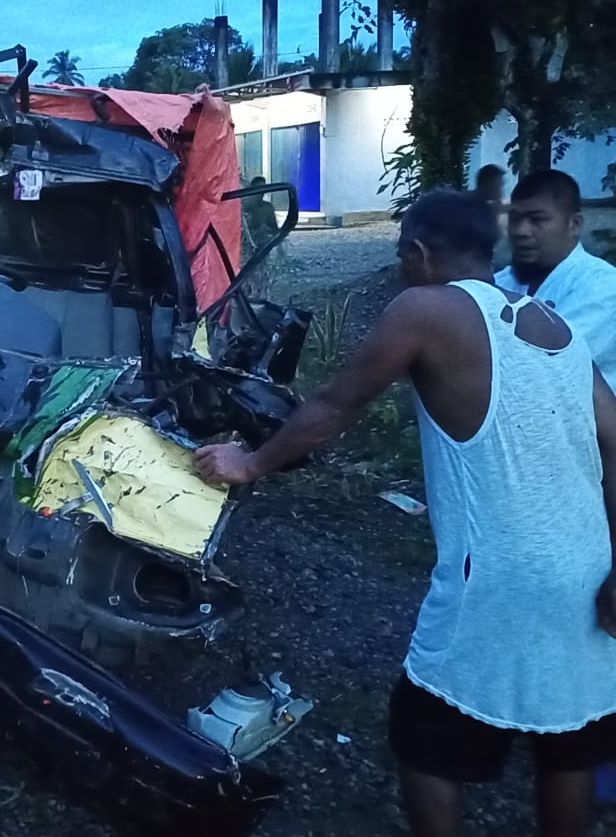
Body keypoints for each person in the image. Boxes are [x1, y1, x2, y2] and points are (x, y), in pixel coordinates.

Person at [195, 189, 616, 837]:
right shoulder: (553, 325)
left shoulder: (424, 309)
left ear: (418, 253)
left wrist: (248, 463)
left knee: (424, 743)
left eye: (401, 257)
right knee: (569, 744)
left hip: (497, 577)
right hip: (587, 566)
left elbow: (336, 404)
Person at [495, 169, 616, 389]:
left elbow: (547, 366)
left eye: (537, 219)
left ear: (574, 224)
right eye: (515, 219)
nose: (521, 231)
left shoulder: (604, 288)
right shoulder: (499, 283)